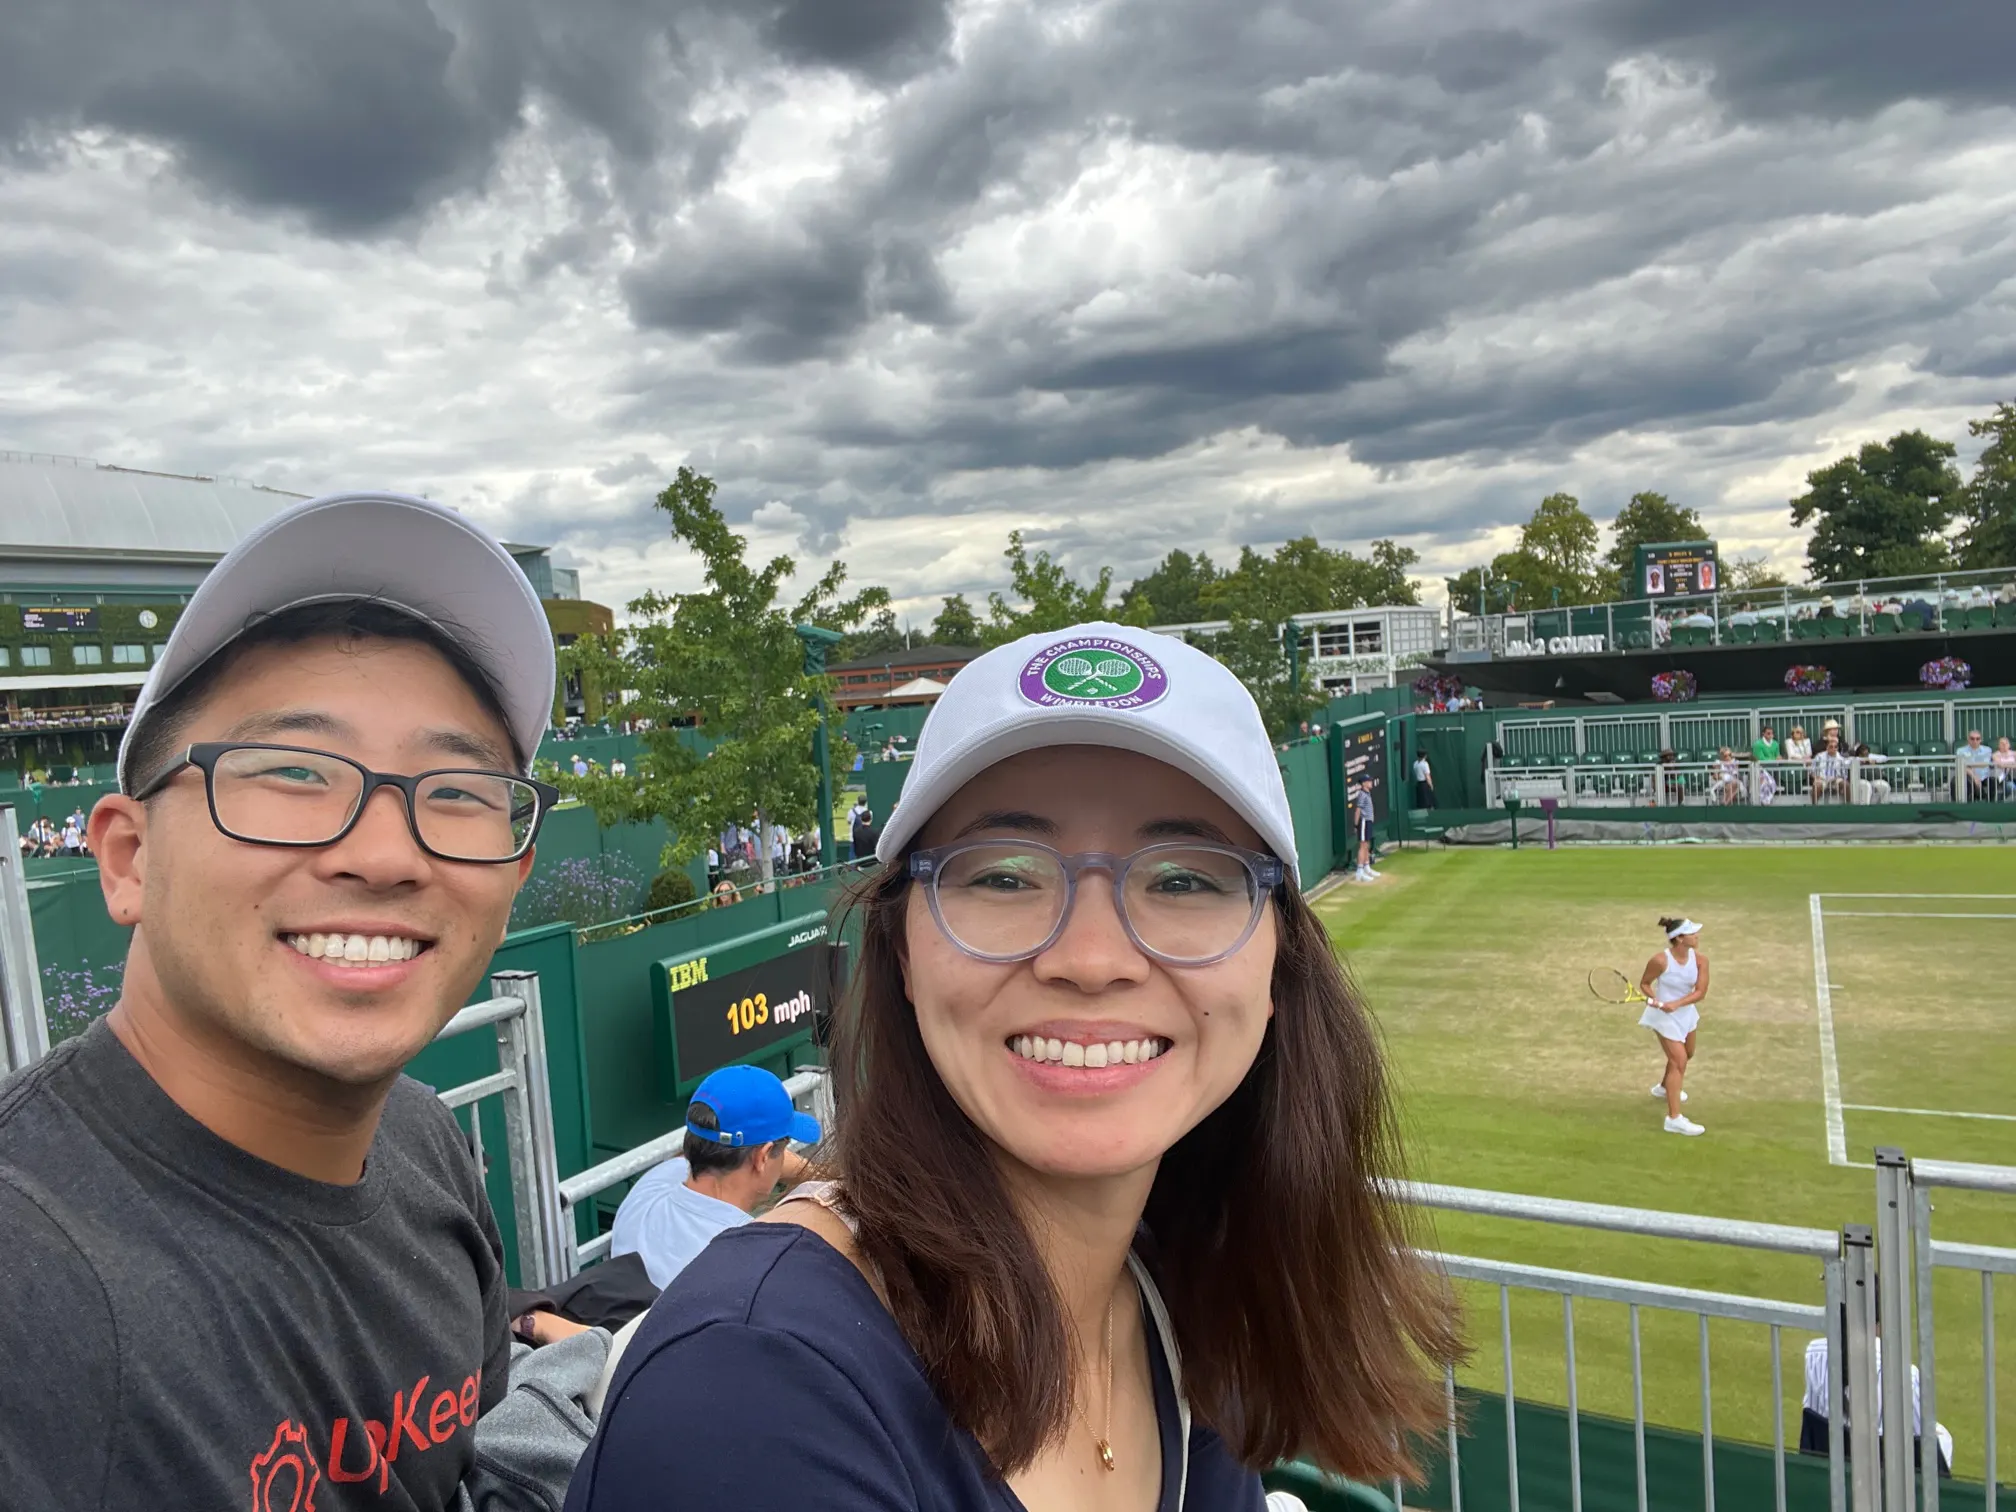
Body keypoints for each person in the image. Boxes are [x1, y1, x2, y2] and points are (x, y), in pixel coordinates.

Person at [567, 622, 1461, 1512]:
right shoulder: (751, 1393)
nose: (1092, 956)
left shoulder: (1181, 1299)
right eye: (1001, 876)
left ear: (1278, 967)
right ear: (903, 955)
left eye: (1187, 878)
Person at [0, 493, 601, 1509]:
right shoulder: (28, 1288)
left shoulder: (423, 1145)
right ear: (128, 859)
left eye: (455, 791)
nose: (382, 854)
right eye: (291, 771)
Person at [609, 1066, 818, 1289]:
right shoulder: (759, 1259)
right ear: (764, 1157)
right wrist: (816, 1177)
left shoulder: (650, 1189)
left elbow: (683, 1158)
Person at [1639, 917, 1709, 1135]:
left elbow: (1700, 992)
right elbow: (1644, 984)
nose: (1696, 936)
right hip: (1663, 1016)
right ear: (1679, 939)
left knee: (1687, 1054)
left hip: (1685, 1013)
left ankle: (1663, 1088)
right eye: (1692, 933)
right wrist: (1657, 1001)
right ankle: (1674, 1119)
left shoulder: (1700, 961)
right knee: (1678, 1061)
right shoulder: (1660, 961)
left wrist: (1676, 1004)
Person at [1810, 729, 1851, 804]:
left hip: (1835, 779)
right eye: (1831, 747)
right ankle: (1814, 807)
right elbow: (1812, 771)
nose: (1833, 749)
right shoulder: (1819, 757)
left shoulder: (1841, 759)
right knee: (1817, 786)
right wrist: (1816, 778)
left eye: (1835, 747)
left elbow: (1844, 775)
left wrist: (1837, 778)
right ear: (1827, 747)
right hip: (1822, 778)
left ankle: (1848, 805)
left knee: (1846, 784)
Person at [1352, 774, 1378, 881]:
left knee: (1366, 845)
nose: (1371, 782)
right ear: (1364, 784)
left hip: (1368, 822)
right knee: (1362, 845)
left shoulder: (1367, 794)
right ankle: (1359, 871)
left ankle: (1367, 868)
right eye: (1369, 781)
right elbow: (1358, 810)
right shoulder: (1362, 795)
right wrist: (1356, 824)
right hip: (1363, 822)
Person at [1959, 729, 1993, 799]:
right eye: (1972, 738)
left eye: (1977, 739)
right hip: (1968, 777)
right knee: (1967, 783)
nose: (1975, 741)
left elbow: (1985, 764)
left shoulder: (1987, 750)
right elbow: (1962, 766)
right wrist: (1975, 777)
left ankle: (1991, 804)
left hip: (1985, 777)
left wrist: (1968, 764)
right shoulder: (1960, 750)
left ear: (1981, 740)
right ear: (1968, 739)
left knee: (1993, 782)